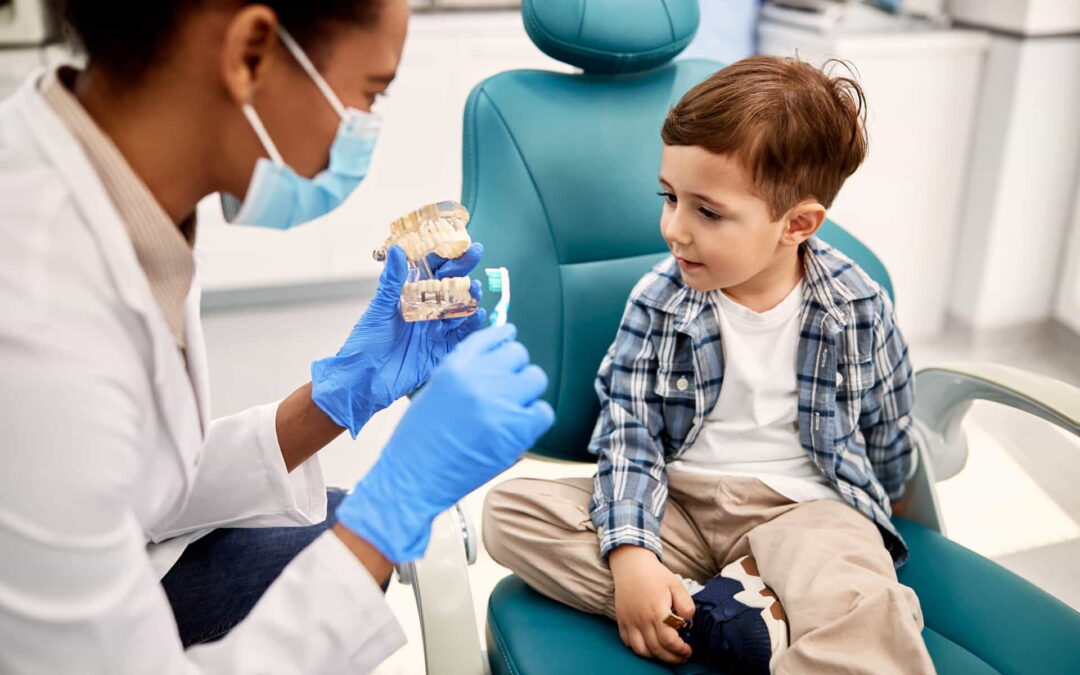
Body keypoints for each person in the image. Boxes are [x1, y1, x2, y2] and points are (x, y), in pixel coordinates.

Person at [0, 0, 554, 671]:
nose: (364, 129)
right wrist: (392, 512)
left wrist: (337, 395)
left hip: (112, 577)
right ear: (251, 53)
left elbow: (138, 481)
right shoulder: (33, 312)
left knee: (332, 522)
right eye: (369, 93)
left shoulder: (117, 200)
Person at [483, 56, 935, 674]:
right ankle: (736, 613)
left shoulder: (854, 305)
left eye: (708, 211)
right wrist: (631, 554)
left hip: (802, 510)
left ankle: (744, 609)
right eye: (669, 197)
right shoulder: (660, 299)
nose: (674, 229)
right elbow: (632, 436)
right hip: (681, 503)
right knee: (510, 517)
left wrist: (883, 524)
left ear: (796, 224)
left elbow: (888, 422)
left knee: (865, 600)